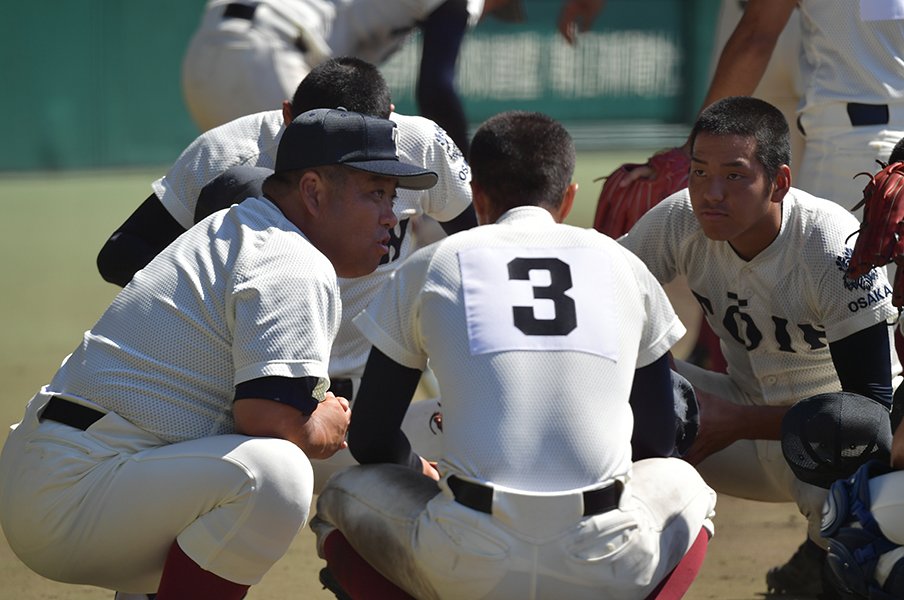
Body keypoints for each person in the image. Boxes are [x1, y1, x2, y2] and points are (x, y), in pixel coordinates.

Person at [0, 108, 437, 600]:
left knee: (340, 463)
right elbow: (269, 418)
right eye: (375, 192)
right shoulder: (289, 260)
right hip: (77, 487)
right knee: (275, 474)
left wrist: (377, 448)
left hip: (78, 466)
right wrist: (318, 421)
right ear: (313, 191)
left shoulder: (247, 226)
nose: (392, 214)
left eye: (393, 196)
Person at [310, 111, 717, 600]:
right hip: (605, 558)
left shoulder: (436, 262)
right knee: (686, 484)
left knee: (335, 500)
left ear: (478, 195)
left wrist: (423, 468)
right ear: (568, 197)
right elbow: (656, 438)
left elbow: (372, 437)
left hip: (467, 556)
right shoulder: (621, 263)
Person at [96, 57, 472, 490]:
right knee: (278, 472)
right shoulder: (228, 156)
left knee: (485, 437)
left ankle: (345, 546)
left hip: (372, 401)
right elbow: (121, 254)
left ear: (389, 124)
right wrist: (217, 286)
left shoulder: (420, 146)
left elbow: (486, 252)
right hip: (259, 398)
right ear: (287, 116)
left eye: (378, 187)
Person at [619, 95, 902, 598]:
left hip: (830, 450)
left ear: (780, 182)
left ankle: (824, 568)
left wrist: (739, 421)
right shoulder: (681, 218)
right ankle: (592, 559)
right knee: (609, 392)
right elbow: (597, 302)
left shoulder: (828, 240)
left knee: (871, 500)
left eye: (734, 175)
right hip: (737, 421)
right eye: (699, 172)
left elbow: (872, 411)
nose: (711, 193)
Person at [180, 0, 604, 155]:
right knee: (348, 208)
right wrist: (465, 170)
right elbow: (436, 86)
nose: (491, 11)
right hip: (273, 60)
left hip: (206, 52)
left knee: (252, 210)